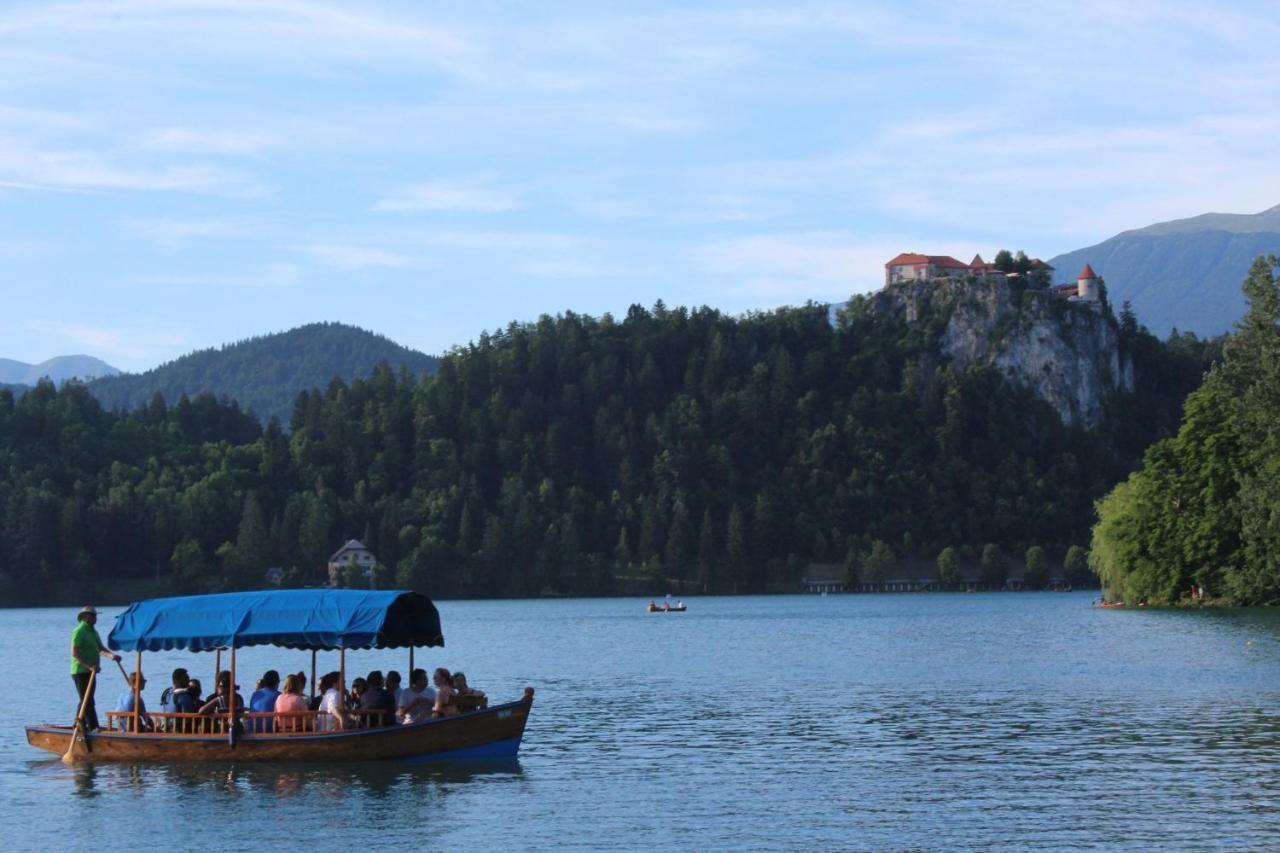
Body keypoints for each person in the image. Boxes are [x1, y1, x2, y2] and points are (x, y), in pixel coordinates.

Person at [70, 605, 123, 732]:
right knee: (87, 700)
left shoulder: (93, 631)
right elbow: (74, 652)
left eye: (95, 616)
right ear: (85, 617)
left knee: (86, 699)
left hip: (92, 671)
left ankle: (77, 724)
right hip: (80, 671)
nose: (95, 618)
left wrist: (112, 656)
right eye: (93, 616)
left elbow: (100, 649)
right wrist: (88, 665)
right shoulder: (79, 630)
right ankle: (93, 727)